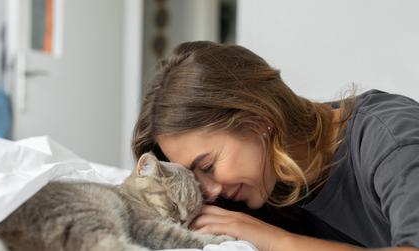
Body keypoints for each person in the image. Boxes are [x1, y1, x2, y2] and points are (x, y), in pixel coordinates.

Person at [132, 41, 419, 251]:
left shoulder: (391, 138)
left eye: (207, 166)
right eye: (195, 178)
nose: (210, 190)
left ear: (258, 119)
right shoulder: (261, 186)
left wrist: (278, 241)